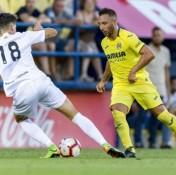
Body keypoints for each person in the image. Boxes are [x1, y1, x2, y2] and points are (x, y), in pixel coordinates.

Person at [0, 13, 125, 158]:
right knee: (75, 115)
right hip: (41, 81)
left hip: (22, 88)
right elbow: (53, 32)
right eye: (14, 26)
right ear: (10, 27)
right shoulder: (23, 36)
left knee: (21, 119)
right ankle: (105, 144)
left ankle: (52, 147)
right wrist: (38, 32)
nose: (15, 28)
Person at [96, 8, 176, 158]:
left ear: (114, 22)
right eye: (99, 24)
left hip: (140, 81)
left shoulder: (128, 37)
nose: (101, 27)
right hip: (121, 84)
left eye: (104, 23)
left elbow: (149, 54)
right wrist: (103, 80)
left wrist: (134, 71)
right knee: (118, 113)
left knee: (162, 115)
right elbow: (110, 60)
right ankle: (129, 149)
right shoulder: (104, 42)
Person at [146, 27, 172, 148]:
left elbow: (166, 72)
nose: (158, 37)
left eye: (160, 35)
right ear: (152, 36)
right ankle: (149, 142)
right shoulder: (145, 49)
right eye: (156, 35)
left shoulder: (166, 51)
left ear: (163, 36)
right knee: (146, 118)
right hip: (147, 90)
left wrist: (168, 91)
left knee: (163, 116)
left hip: (161, 89)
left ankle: (165, 142)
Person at [16, 0, 52, 78]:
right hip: (13, 40)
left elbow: (49, 20)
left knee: (42, 45)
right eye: (29, 2)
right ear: (25, 3)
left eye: (32, 2)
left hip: (23, 41)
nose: (30, 4)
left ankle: (47, 74)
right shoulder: (22, 9)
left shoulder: (35, 11)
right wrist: (39, 21)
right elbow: (27, 19)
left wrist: (38, 21)